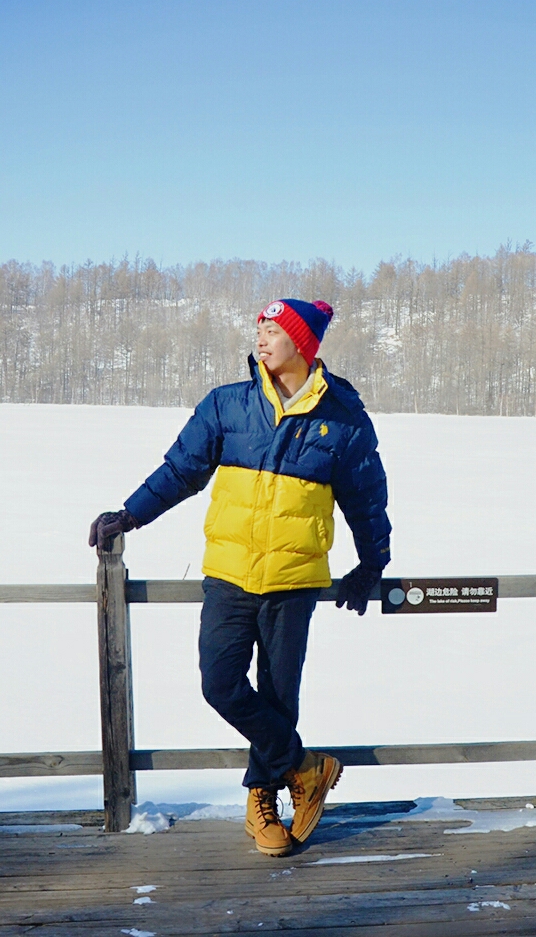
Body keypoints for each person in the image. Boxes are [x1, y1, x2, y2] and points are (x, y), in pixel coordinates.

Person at [89, 298, 392, 856]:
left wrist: (373, 562)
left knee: (279, 696)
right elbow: (181, 469)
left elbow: (367, 498)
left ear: (302, 344)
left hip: (294, 580)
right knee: (220, 683)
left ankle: (262, 800)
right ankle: (305, 767)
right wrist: (130, 513)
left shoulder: (343, 416)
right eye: (260, 329)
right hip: (229, 575)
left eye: (275, 331)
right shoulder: (229, 405)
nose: (262, 339)